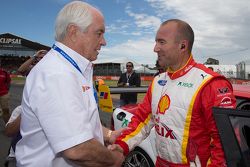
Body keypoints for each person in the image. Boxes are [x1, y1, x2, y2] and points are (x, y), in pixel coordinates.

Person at [111, 19, 236, 167]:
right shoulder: (158, 81)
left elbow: (224, 144)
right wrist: (121, 146)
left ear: (183, 45)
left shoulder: (210, 83)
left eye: (161, 42)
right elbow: (141, 120)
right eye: (156, 42)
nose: (155, 48)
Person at [15, 1, 124, 167]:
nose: (104, 42)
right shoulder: (57, 73)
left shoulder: (71, 69)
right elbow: (78, 149)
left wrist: (108, 134)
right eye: (99, 33)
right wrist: (113, 160)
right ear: (73, 32)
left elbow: (80, 121)